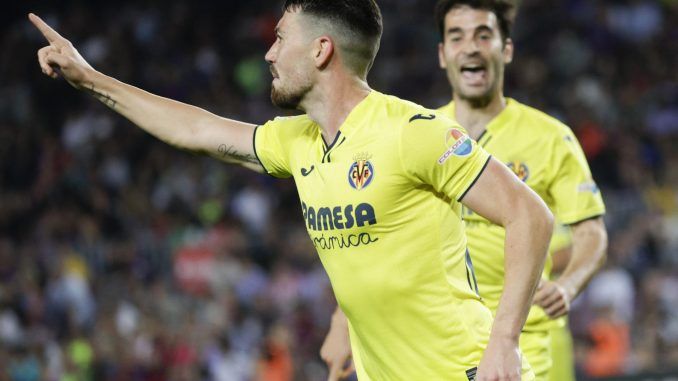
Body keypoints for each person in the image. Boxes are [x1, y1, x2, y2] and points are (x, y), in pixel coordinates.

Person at [29, 1, 554, 379]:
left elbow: (530, 216)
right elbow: (197, 129)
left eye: (281, 38)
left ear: (322, 49)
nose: (269, 54)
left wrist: (504, 343)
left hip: (467, 370)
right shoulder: (297, 143)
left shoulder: (412, 132)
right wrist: (92, 78)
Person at [320, 0, 607, 380]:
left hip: (523, 338)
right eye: (457, 36)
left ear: (506, 49)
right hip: (440, 341)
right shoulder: (415, 132)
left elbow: (592, 232)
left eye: (483, 35)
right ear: (442, 54)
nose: (470, 46)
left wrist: (568, 286)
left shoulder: (551, 138)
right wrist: (342, 324)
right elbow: (374, 239)